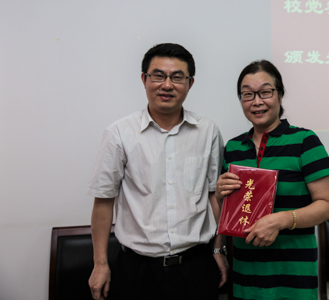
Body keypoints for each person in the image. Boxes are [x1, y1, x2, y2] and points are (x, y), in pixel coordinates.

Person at [87, 43, 227, 300]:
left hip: (196, 266)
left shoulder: (208, 131)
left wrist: (219, 250)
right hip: (136, 270)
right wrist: (100, 264)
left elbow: (213, 196)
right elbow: (104, 200)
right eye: (158, 76)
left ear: (190, 83)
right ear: (144, 79)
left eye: (177, 77)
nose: (167, 85)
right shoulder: (119, 133)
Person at [217, 60, 329, 300]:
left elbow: (328, 206)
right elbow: (226, 212)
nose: (256, 101)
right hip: (246, 273)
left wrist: (281, 220)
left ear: (280, 95)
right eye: (247, 94)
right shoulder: (232, 148)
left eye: (265, 92)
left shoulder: (305, 141)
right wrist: (220, 196)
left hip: (293, 274)